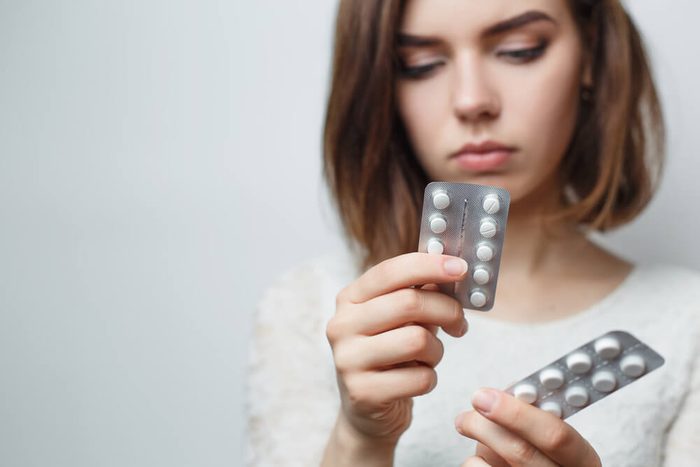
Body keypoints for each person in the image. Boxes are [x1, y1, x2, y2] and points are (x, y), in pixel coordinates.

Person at [246, 0, 700, 465]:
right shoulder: (309, 307)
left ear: (592, 56)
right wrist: (361, 440)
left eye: (520, 51)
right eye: (420, 65)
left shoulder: (687, 324)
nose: (471, 100)